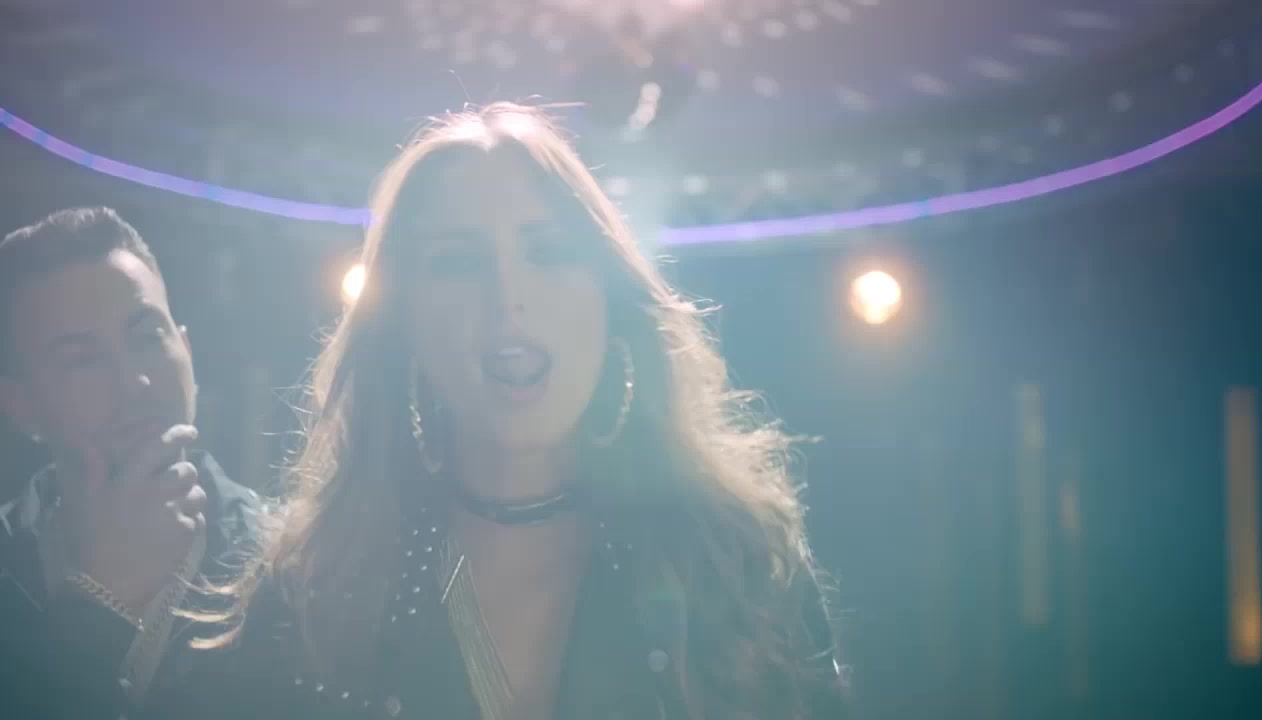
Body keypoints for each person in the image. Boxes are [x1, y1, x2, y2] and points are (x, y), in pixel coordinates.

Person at [61, 103, 851, 719]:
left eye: (547, 251)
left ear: (609, 298)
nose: (509, 296)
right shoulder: (309, 594)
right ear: (404, 322)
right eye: (460, 262)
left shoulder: (737, 563)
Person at [0, 207, 260, 716]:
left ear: (186, 349)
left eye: (147, 338)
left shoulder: (292, 562)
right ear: (21, 405)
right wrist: (101, 601)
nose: (134, 382)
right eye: (82, 359)